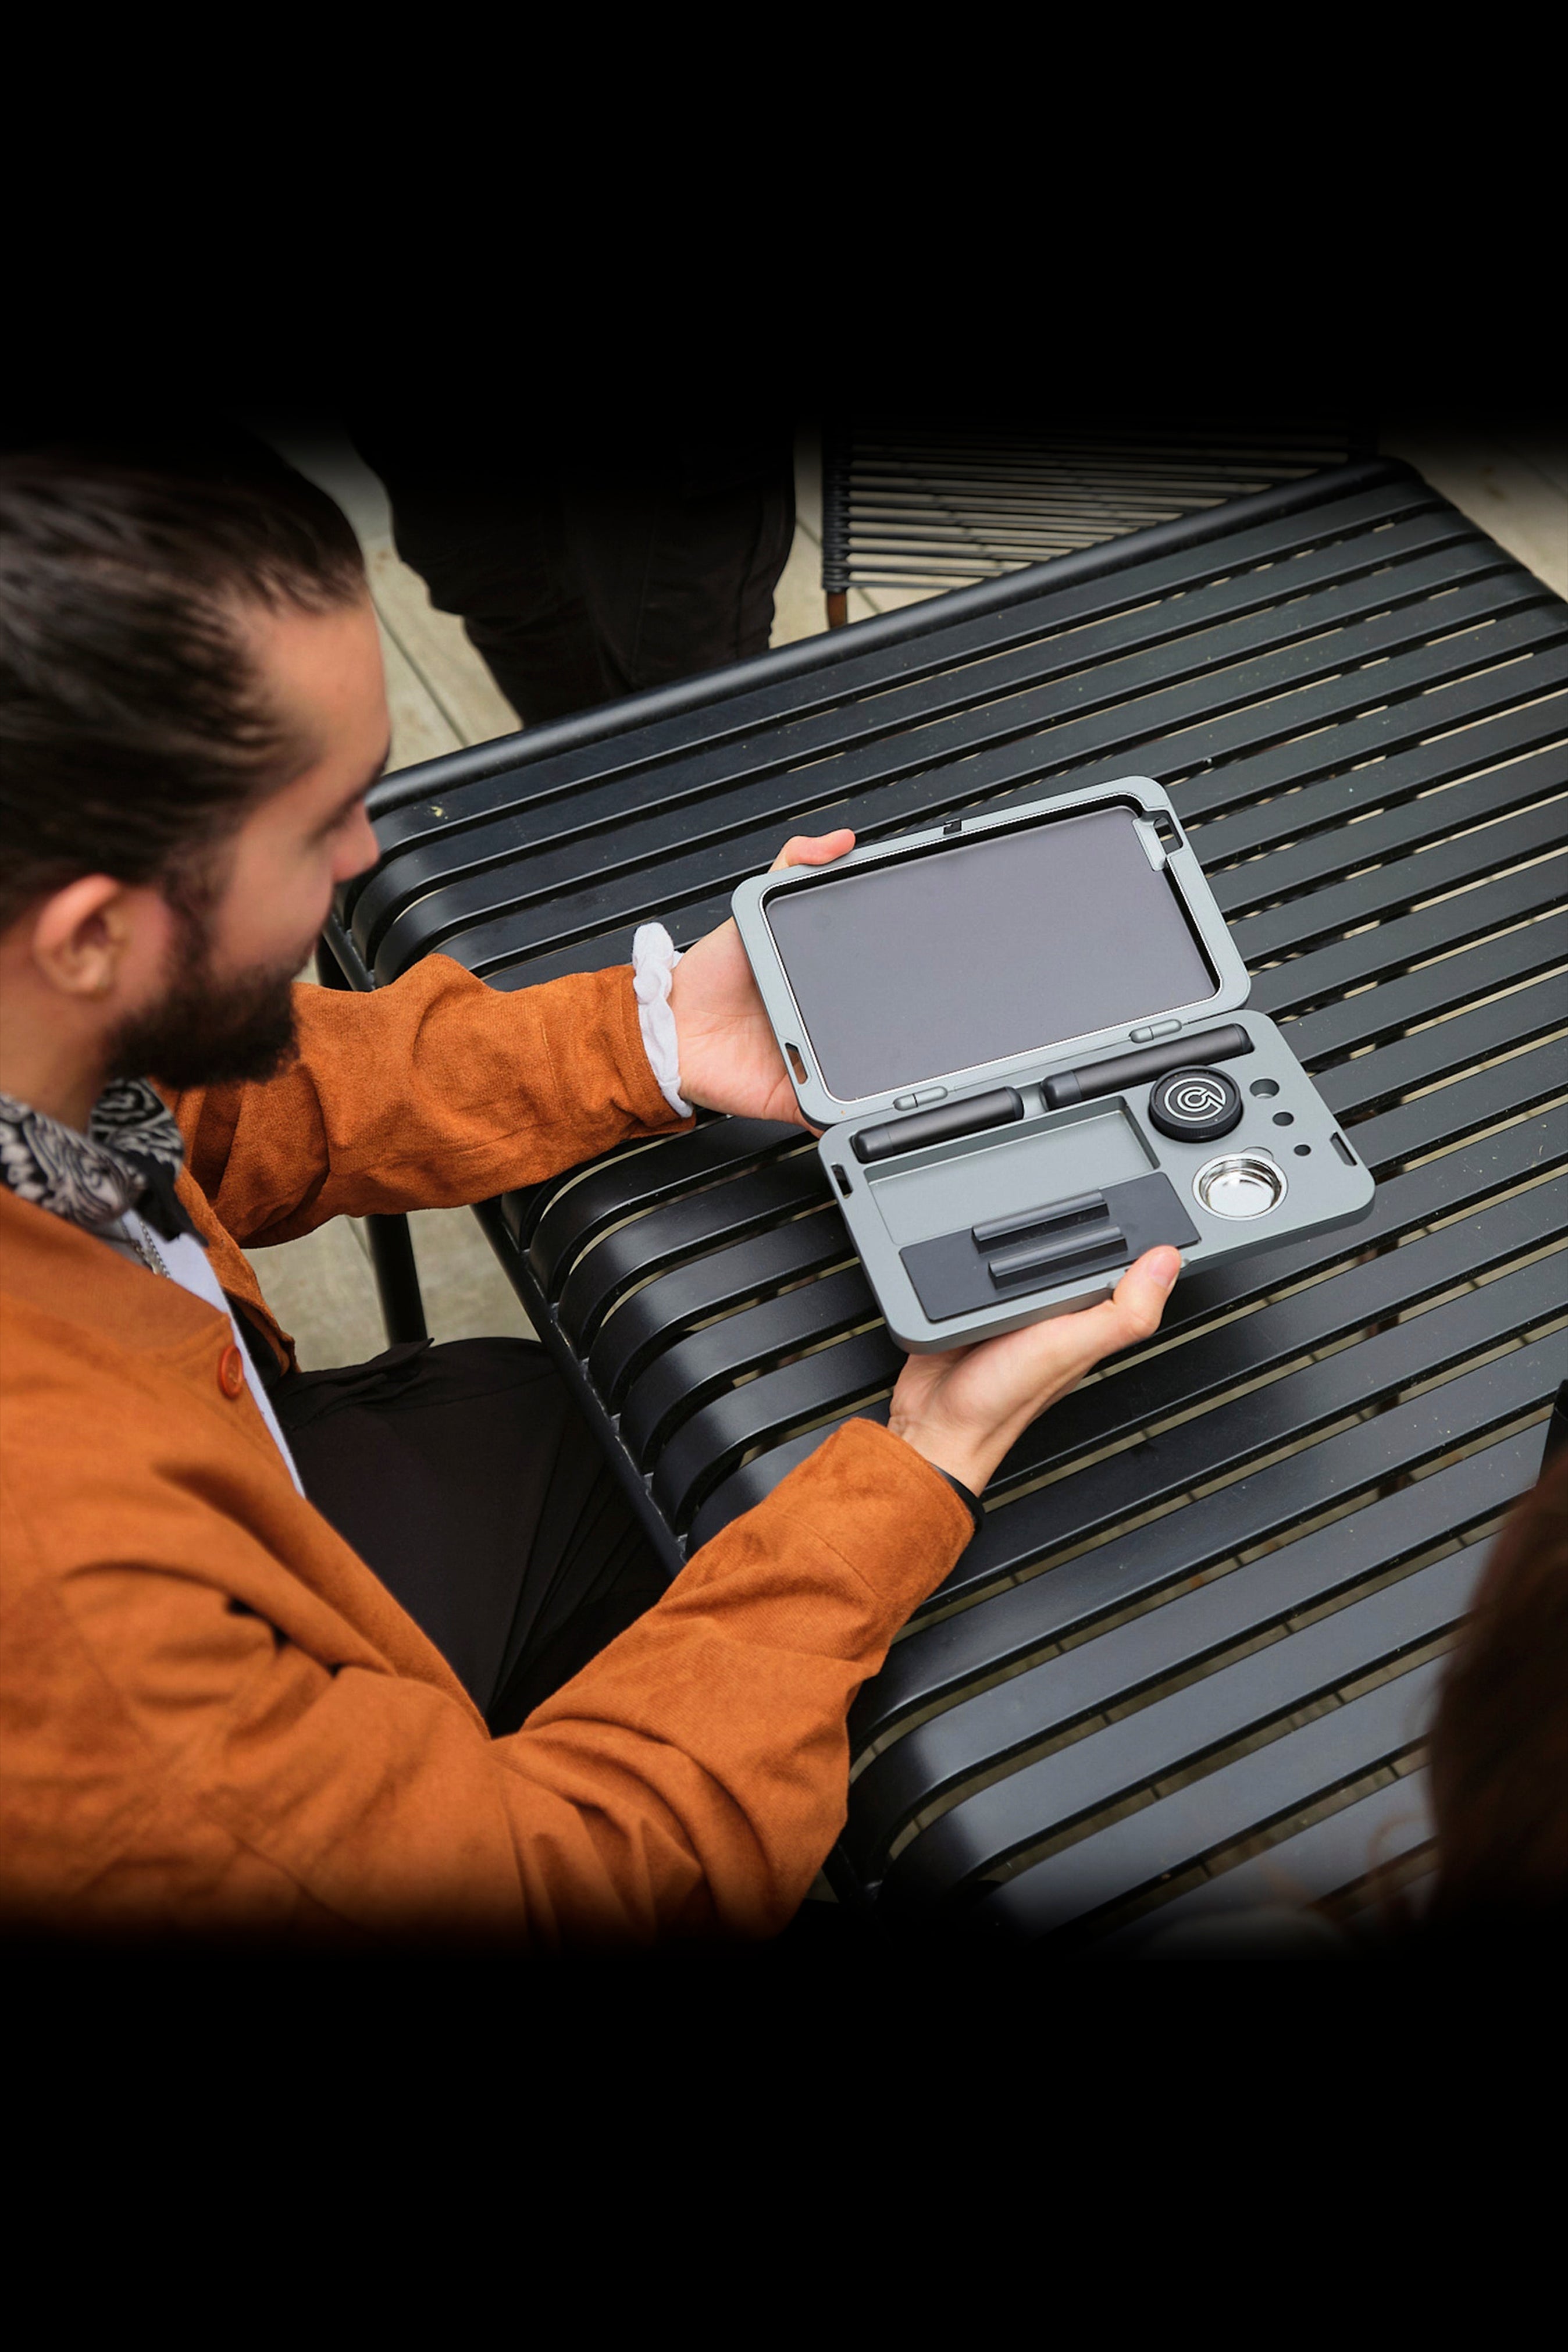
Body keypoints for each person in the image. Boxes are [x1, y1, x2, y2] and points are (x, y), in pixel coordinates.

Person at [0, 451, 1179, 1945]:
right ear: (93, 936)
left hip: (254, 1454)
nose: (366, 853)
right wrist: (918, 1462)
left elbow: (204, 1101)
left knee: (566, 1425)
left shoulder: (42, 1018)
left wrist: (651, 1037)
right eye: (317, 825)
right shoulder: (78, 1623)